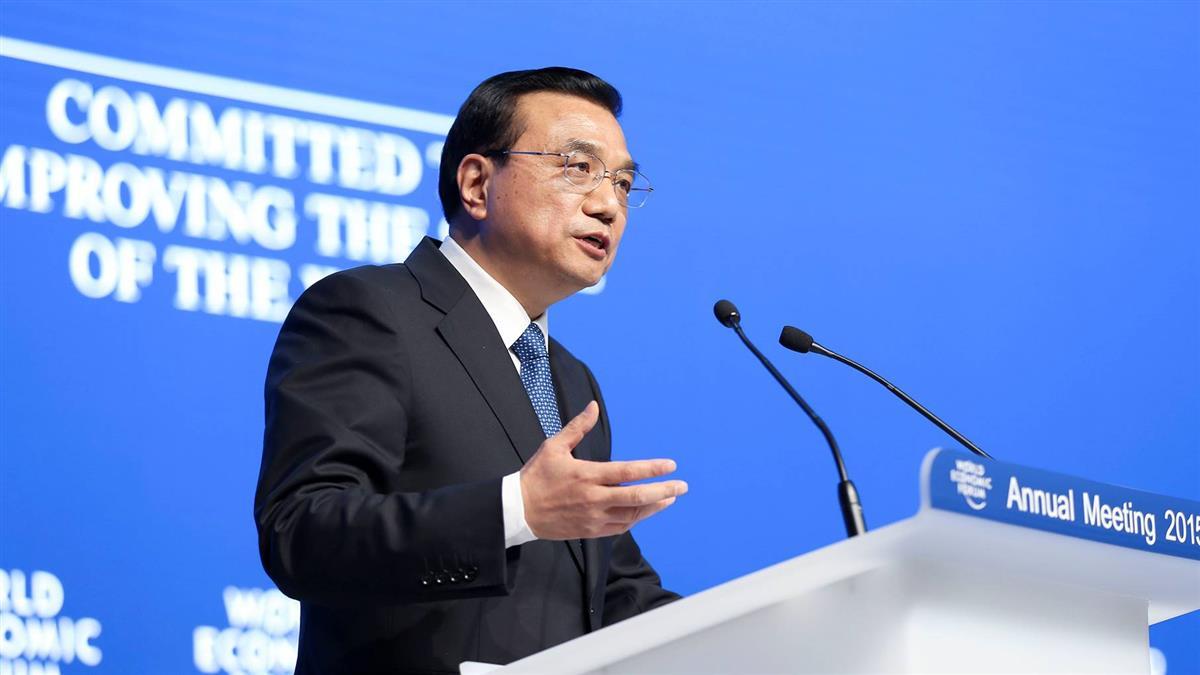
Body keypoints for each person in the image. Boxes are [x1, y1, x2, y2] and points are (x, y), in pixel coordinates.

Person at [255, 67, 686, 674]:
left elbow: (612, 591)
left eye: (622, 181)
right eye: (578, 167)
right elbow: (302, 533)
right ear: (478, 184)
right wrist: (515, 509)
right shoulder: (370, 311)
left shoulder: (571, 380)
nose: (608, 205)